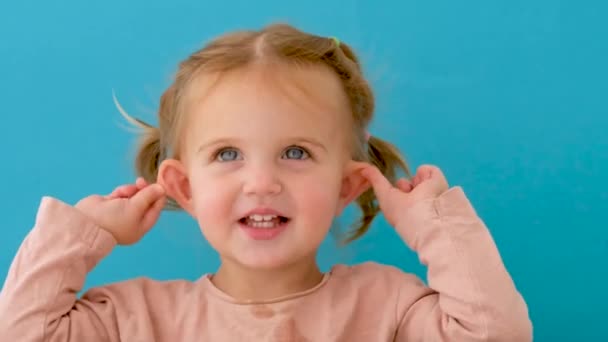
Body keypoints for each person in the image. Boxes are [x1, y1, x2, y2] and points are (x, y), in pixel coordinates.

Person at [0, 23, 532, 341]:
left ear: (347, 186)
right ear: (184, 187)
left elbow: (497, 335)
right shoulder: (137, 320)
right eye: (228, 153)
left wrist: (434, 225)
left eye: (295, 153)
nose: (262, 182)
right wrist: (84, 233)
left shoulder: (387, 306)